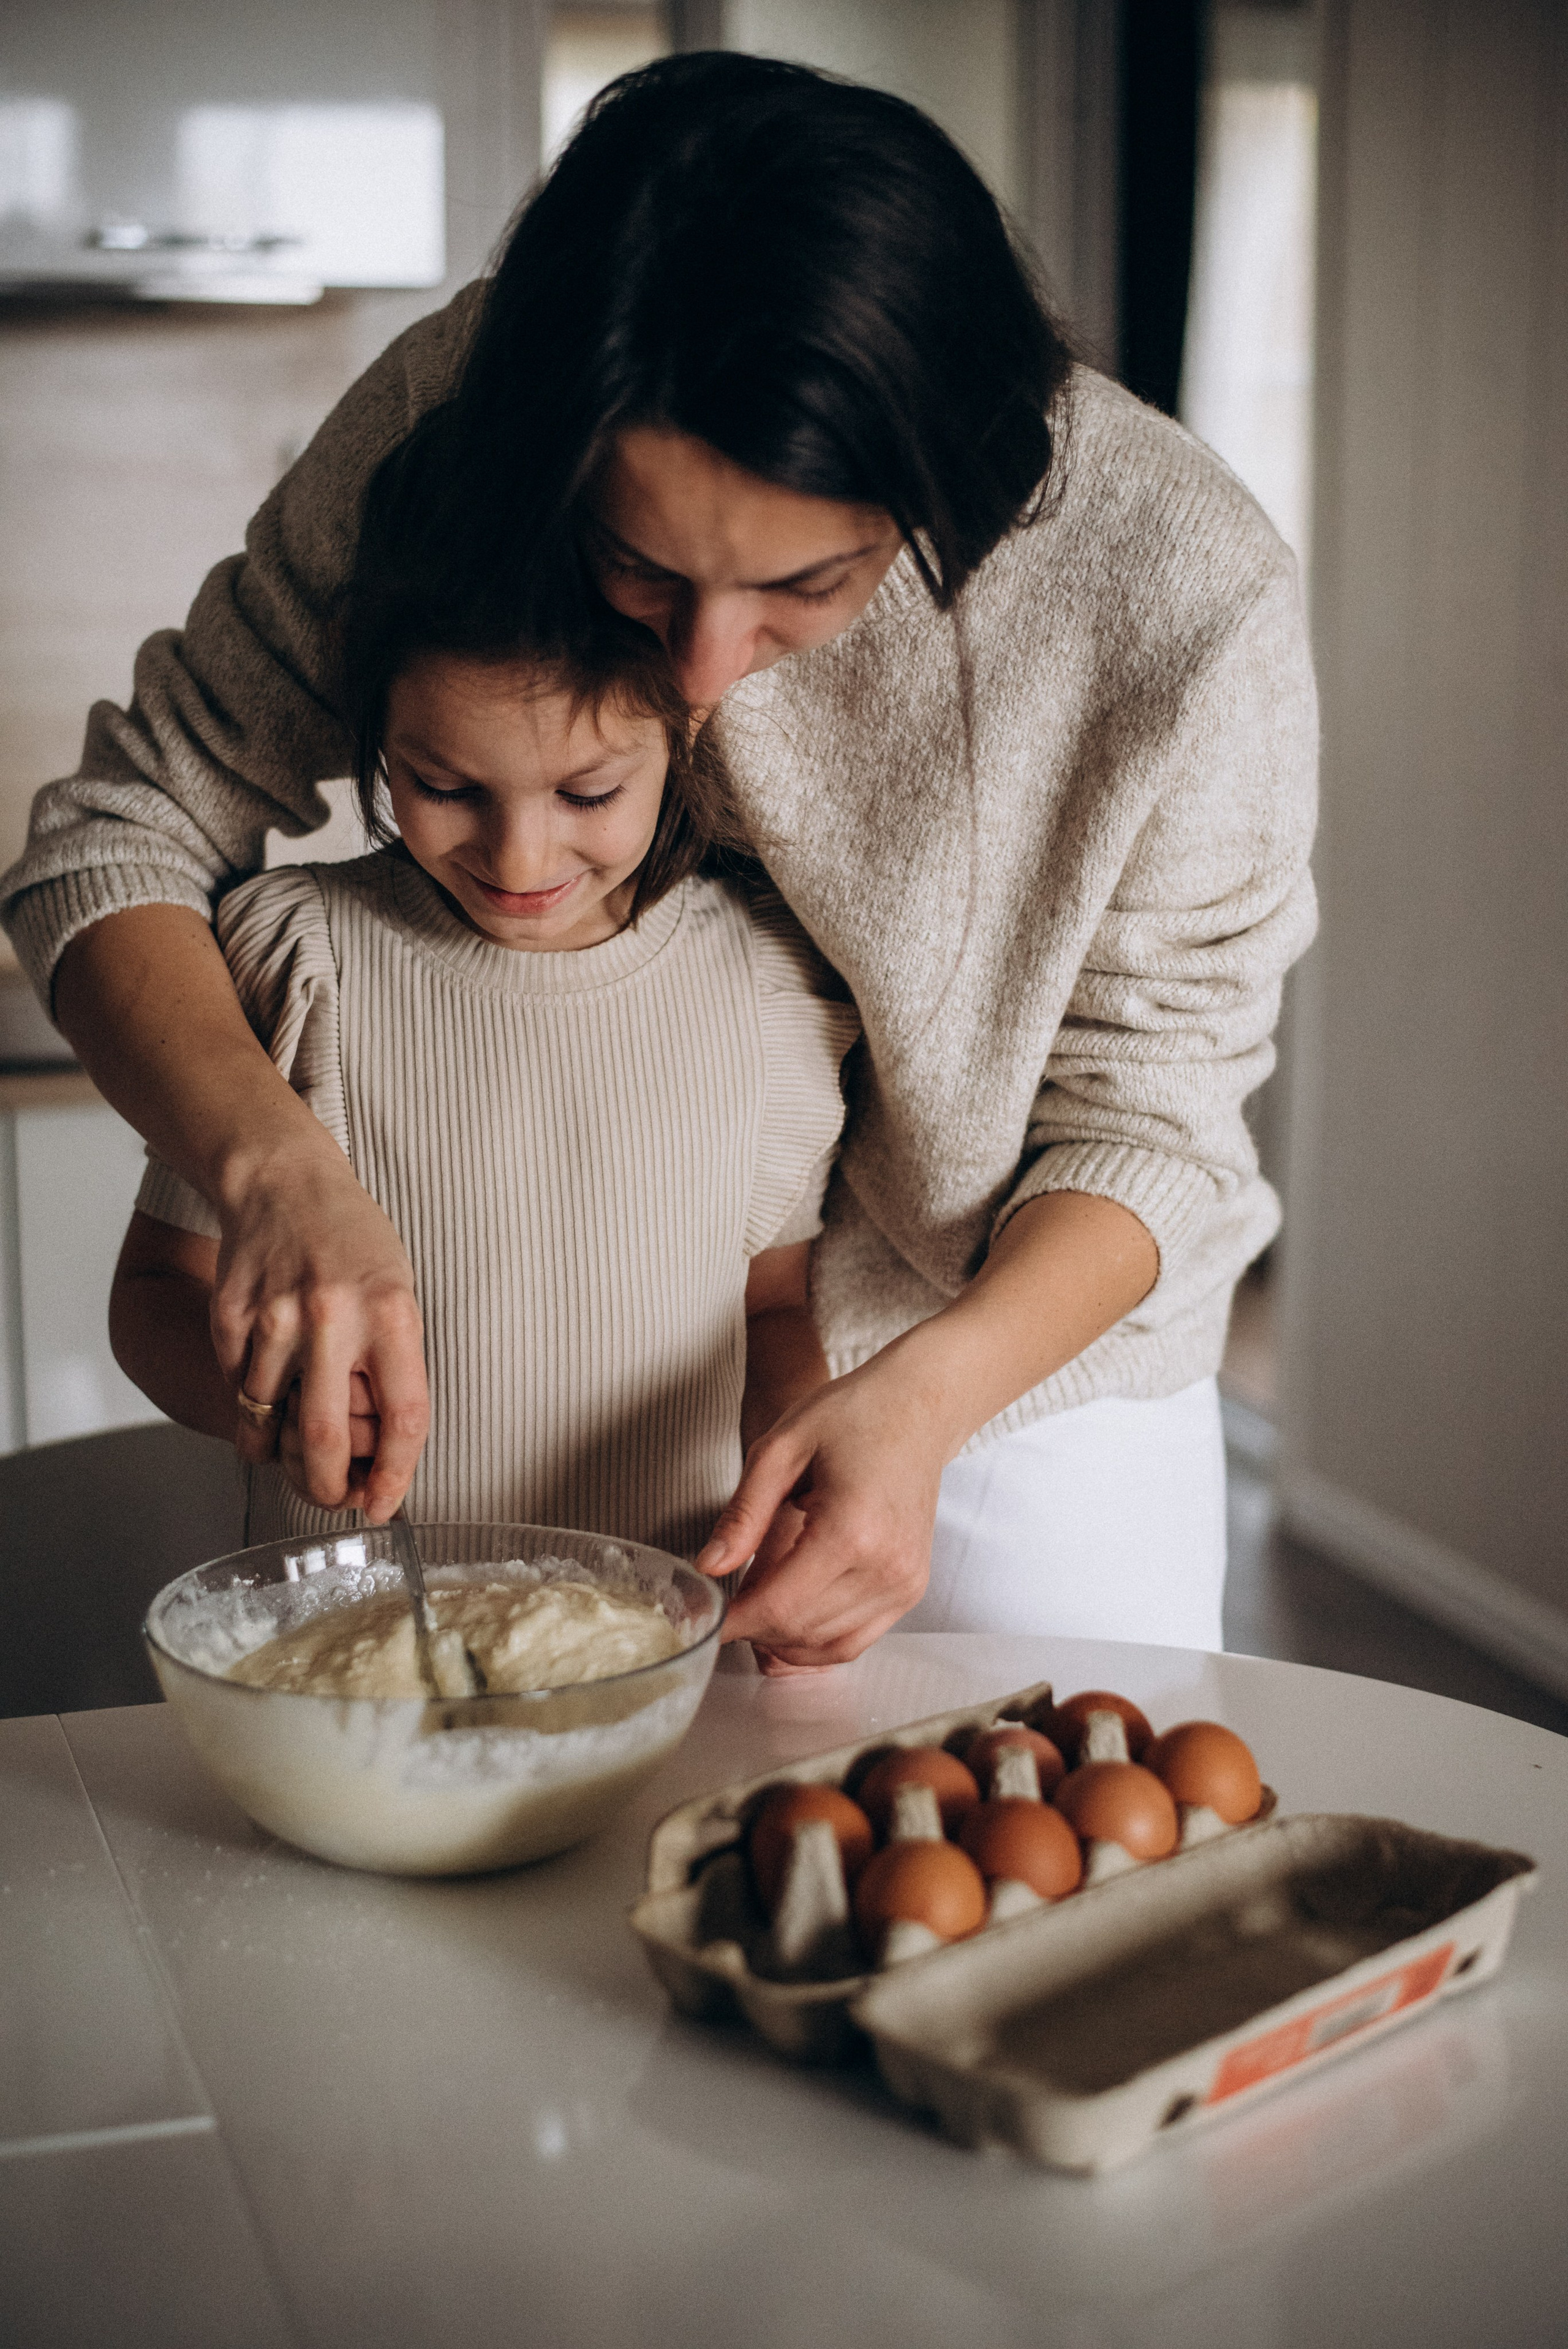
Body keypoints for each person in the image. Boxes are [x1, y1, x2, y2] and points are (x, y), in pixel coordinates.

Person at [1, 54, 1317, 1670]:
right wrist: (275, 1171)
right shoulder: (473, 403)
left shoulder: (1184, 596)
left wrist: (924, 1396)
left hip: (1019, 1361)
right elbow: (119, 830)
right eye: (635, 568)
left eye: (804, 585)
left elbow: (1153, 1123)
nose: (700, 674)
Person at [108, 415, 857, 1553]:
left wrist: (801, 1438)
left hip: (662, 1646)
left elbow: (774, 1301)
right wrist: (266, 1403)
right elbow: (156, 1293)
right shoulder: (300, 963)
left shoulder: (765, 989)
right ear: (376, 722)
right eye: (444, 783)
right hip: (354, 1652)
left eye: (588, 795)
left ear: (686, 720)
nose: (518, 861)